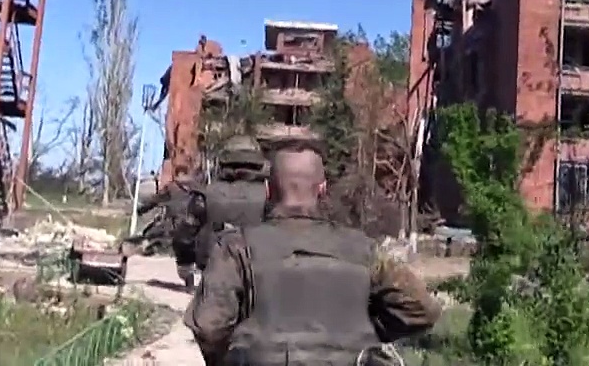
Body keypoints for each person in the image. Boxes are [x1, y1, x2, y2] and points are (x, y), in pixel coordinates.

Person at [184, 145, 442, 366]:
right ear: (322, 188)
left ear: (268, 190)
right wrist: (367, 335)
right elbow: (422, 309)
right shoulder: (364, 250)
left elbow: (208, 325)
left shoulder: (236, 248)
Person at [173, 135, 270, 291]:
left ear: (223, 162)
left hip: (216, 277)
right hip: (261, 280)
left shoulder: (204, 196)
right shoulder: (273, 198)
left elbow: (184, 237)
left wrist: (185, 267)